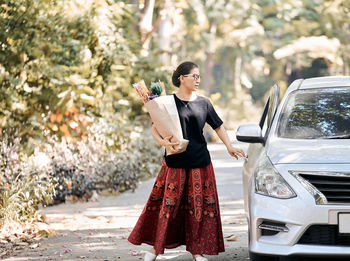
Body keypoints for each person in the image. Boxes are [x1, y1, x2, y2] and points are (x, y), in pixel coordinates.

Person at [128, 61, 245, 261]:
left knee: (198, 209)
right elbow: (155, 128)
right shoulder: (165, 102)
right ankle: (154, 250)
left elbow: (218, 126)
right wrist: (163, 141)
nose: (197, 80)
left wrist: (229, 146)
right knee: (168, 208)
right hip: (175, 163)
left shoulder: (204, 102)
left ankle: (196, 251)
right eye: (194, 76)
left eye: (199, 76)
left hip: (200, 163)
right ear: (182, 78)